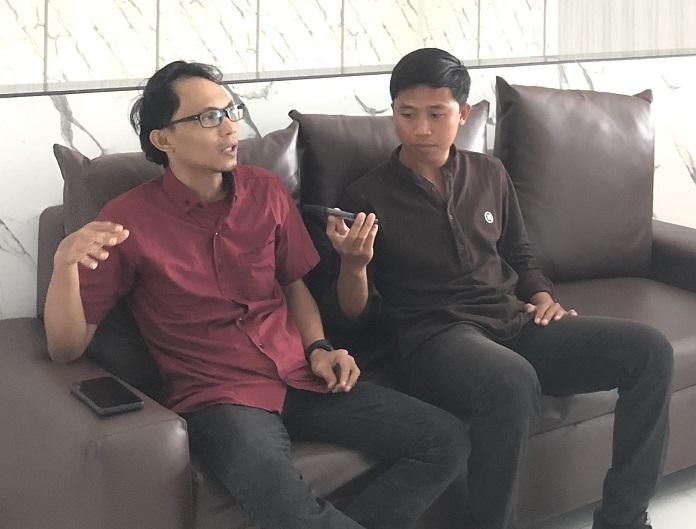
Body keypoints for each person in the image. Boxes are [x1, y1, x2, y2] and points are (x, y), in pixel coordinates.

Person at [43, 60, 470, 529]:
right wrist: (65, 265)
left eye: (232, 111)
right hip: (220, 397)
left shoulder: (265, 190)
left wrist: (319, 346)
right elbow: (66, 349)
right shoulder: (126, 220)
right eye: (209, 117)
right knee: (288, 509)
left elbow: (292, 284)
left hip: (300, 376)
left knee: (446, 439)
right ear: (163, 139)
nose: (231, 128)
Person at [326, 48, 673, 529]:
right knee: (509, 380)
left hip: (512, 323)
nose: (420, 129)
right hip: (433, 339)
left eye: (436, 114)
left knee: (650, 351)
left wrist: (543, 298)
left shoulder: (489, 173)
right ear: (393, 112)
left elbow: (521, 255)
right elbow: (354, 319)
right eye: (407, 114)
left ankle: (624, 520)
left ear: (463, 114)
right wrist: (354, 265)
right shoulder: (366, 196)